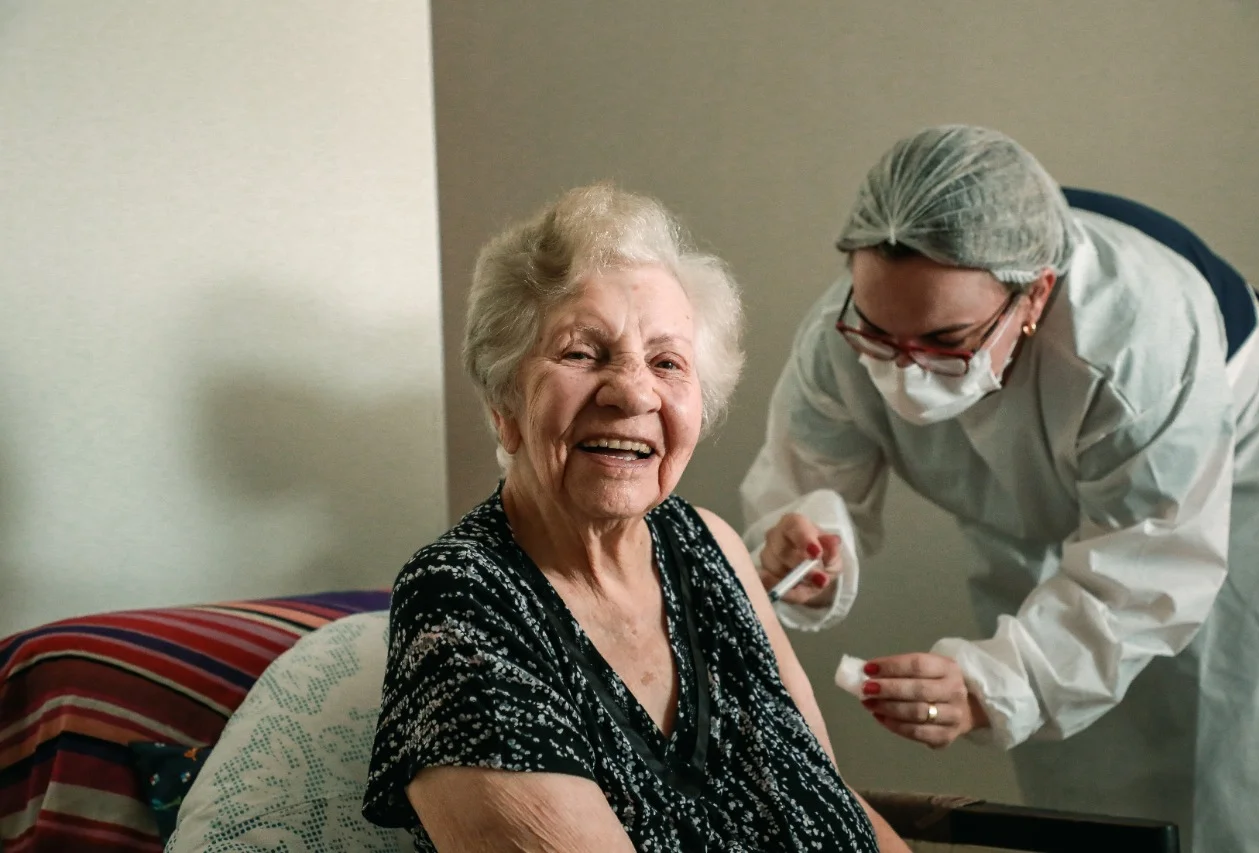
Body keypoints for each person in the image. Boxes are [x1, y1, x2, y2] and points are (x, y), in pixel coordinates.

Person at [741, 124, 1259, 852]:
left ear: (1036, 296)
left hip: (1249, 487)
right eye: (880, 333)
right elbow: (808, 479)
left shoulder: (1138, 340)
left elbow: (1152, 566)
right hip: (1030, 520)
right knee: (1085, 787)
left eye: (946, 341)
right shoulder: (839, 333)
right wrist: (803, 547)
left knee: (1243, 763)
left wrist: (996, 683)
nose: (906, 369)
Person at [363, 184, 909, 853]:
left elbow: (827, 794)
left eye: (666, 361)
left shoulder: (711, 546)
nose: (633, 392)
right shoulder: (461, 596)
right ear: (505, 403)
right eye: (581, 352)